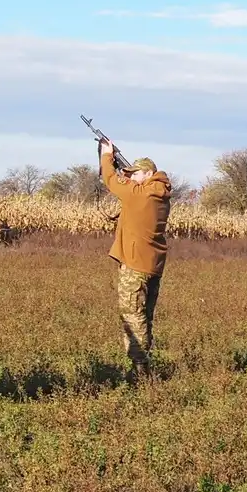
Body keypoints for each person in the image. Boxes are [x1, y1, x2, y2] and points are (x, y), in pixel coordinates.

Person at [99, 139, 172, 374]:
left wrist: (106, 155)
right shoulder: (158, 195)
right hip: (153, 264)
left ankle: (139, 368)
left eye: (136, 173)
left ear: (149, 173)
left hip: (135, 263)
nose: (131, 177)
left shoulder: (141, 194)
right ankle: (144, 360)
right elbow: (128, 188)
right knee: (144, 315)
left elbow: (111, 180)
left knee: (132, 313)